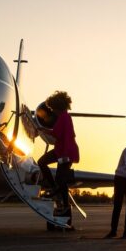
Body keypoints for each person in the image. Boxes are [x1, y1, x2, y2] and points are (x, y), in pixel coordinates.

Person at [37, 91, 79, 228]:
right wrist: (42, 129)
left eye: (53, 107)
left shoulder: (65, 118)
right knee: (42, 162)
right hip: (60, 150)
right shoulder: (63, 117)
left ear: (58, 106)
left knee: (62, 180)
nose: (52, 111)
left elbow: (66, 137)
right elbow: (56, 134)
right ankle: (54, 188)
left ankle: (66, 212)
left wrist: (64, 157)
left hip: (65, 152)